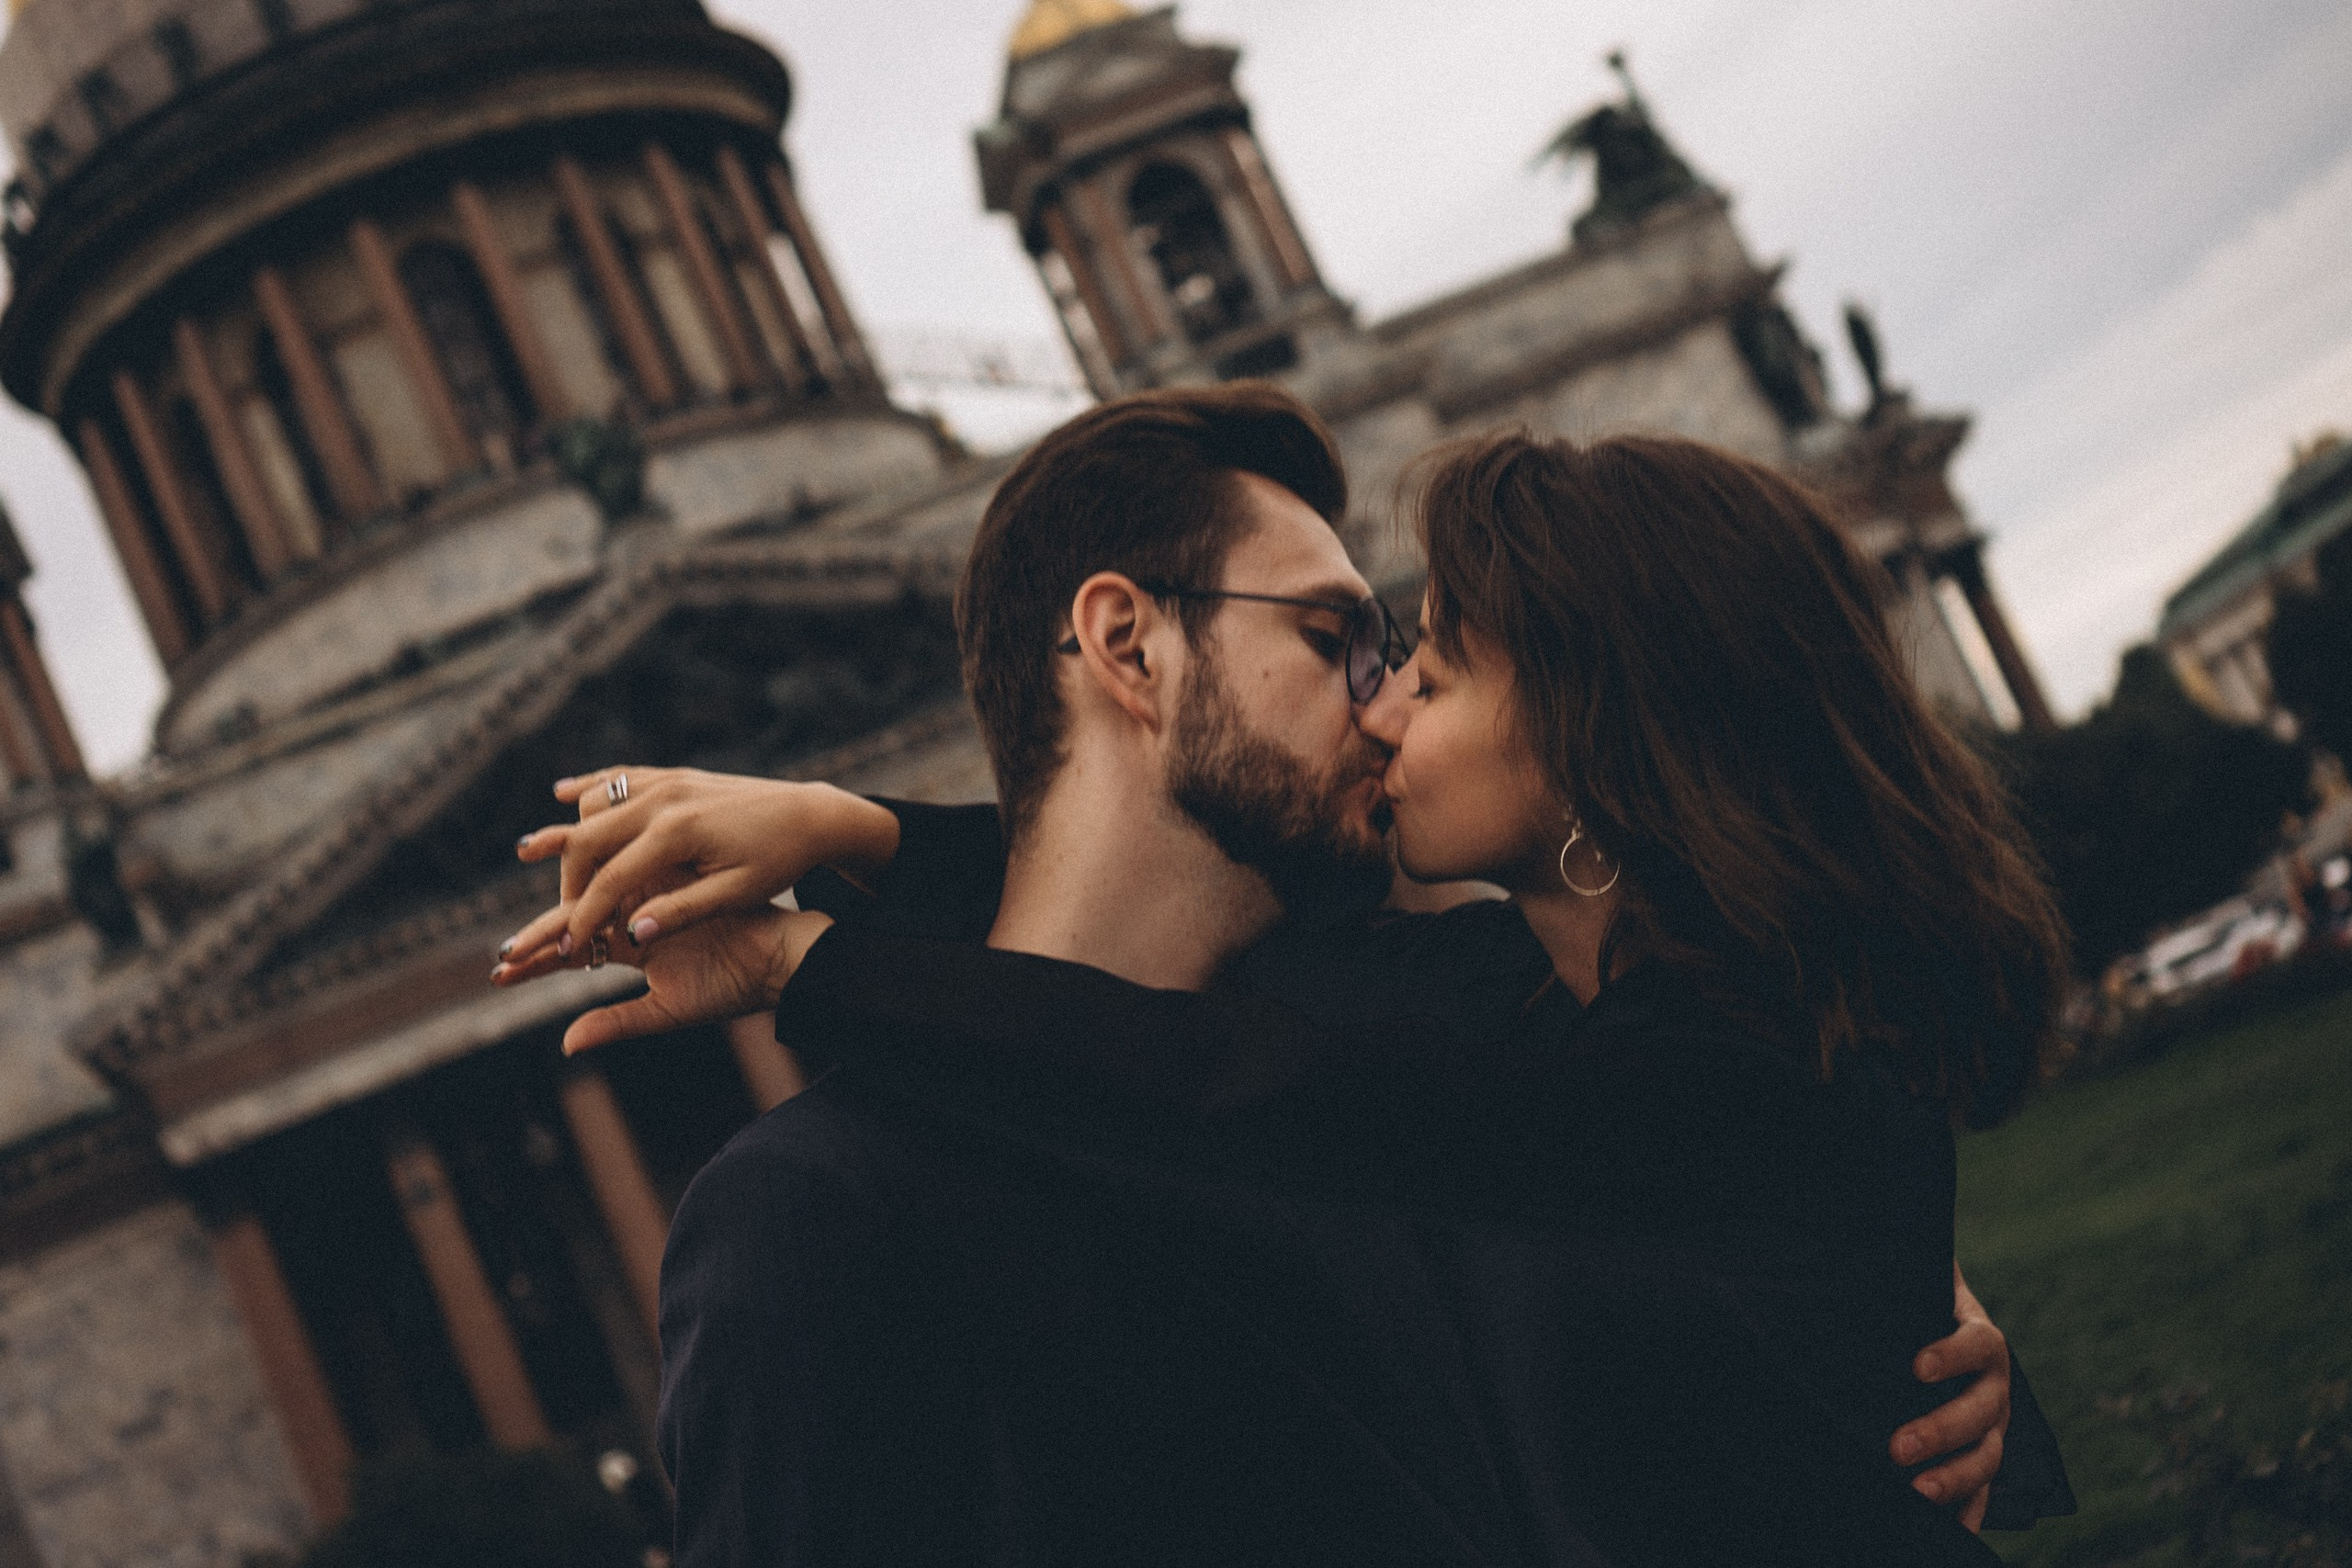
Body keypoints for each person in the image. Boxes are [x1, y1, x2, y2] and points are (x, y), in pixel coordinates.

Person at [496, 389, 2064, 1562]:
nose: (1384, 711)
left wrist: (813, 947)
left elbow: (1198, 1072)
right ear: (1128, 647)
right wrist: (866, 836)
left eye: (1422, 664)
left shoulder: (1467, 1044)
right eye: (1342, 639)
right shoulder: (815, 1223)